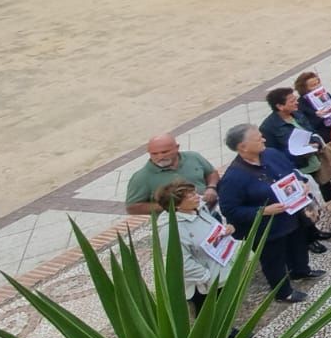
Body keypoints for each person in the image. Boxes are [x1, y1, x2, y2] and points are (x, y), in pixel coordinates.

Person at [216, 124, 315, 301]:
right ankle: (283, 293)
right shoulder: (233, 178)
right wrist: (263, 211)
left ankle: (301, 271)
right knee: (274, 260)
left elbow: (291, 169)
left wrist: (302, 181)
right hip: (268, 229)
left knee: (298, 245)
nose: (264, 139)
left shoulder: (271, 154)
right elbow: (230, 210)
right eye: (258, 138)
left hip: (292, 215)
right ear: (243, 147)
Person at [152, 180, 232, 313]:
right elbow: (181, 262)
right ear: (177, 205)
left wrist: (226, 230)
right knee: (211, 314)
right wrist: (208, 277)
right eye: (190, 196)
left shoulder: (199, 209)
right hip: (204, 286)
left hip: (220, 272)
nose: (197, 197)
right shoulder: (171, 230)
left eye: (194, 193)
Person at [125, 134, 220, 215]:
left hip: (210, 211)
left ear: (177, 148)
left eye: (165, 152)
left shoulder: (193, 157)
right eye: (154, 154)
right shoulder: (142, 177)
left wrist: (211, 187)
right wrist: (172, 206)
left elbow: (211, 172)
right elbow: (132, 207)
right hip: (180, 222)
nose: (160, 157)